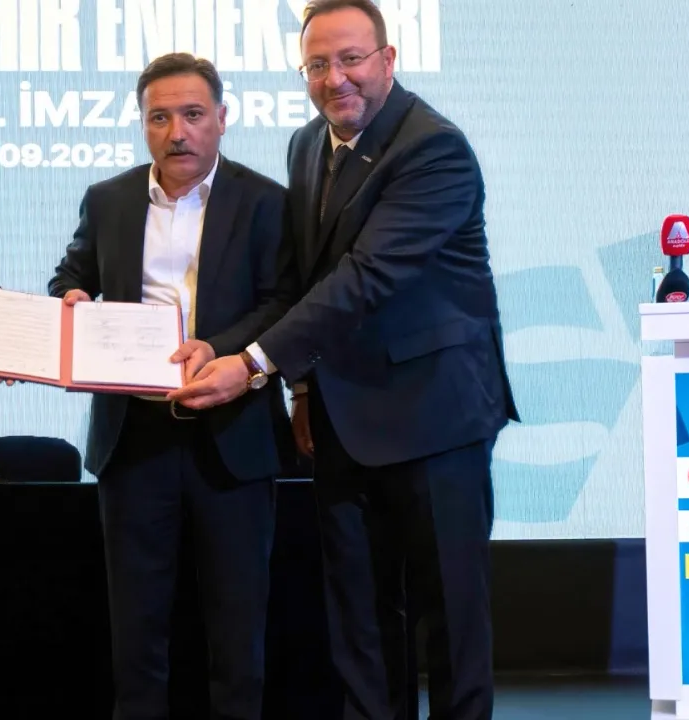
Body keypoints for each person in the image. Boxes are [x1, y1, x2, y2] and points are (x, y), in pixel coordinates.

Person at [167, 1, 520, 718]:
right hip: (341, 420)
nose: (336, 79)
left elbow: (364, 278)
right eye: (318, 65)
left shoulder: (433, 149)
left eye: (352, 59)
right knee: (359, 625)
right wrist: (293, 385)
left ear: (388, 60)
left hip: (436, 419)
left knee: (451, 622)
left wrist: (252, 365)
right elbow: (307, 278)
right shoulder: (307, 144)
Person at [48, 53, 290, 720]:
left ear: (222, 119)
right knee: (137, 628)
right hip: (134, 437)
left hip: (233, 435)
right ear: (143, 123)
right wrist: (71, 297)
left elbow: (283, 303)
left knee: (237, 626)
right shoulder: (107, 199)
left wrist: (220, 347)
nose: (177, 132)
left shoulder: (267, 201)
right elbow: (72, 274)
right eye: (159, 118)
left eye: (192, 115)